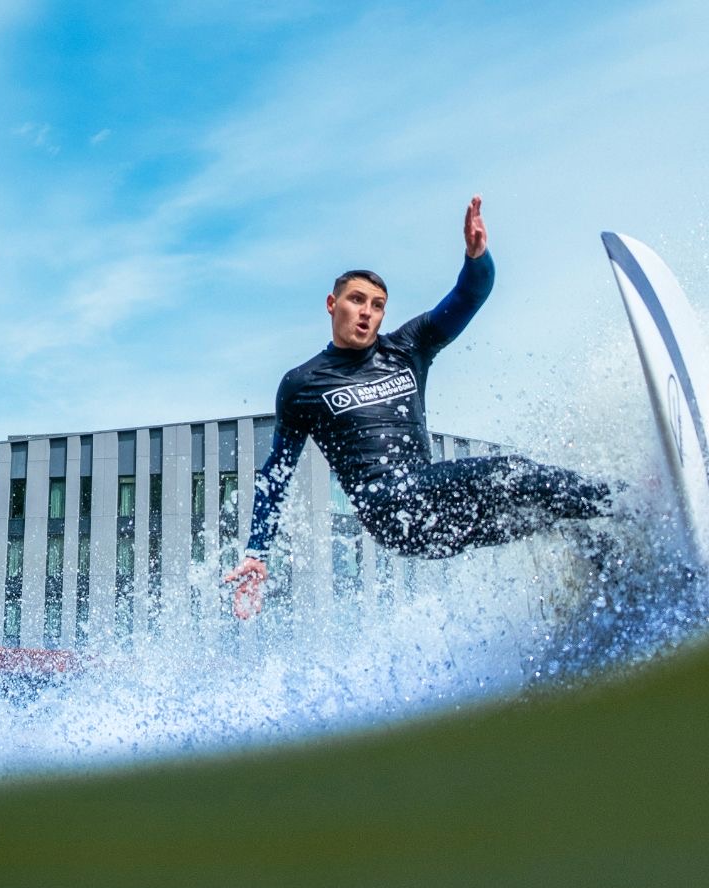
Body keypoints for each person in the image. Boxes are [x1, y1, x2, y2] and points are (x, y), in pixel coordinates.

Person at [225, 196, 611, 619]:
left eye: (377, 306)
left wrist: (476, 256)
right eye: (356, 300)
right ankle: (628, 499)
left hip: (433, 511)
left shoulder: (407, 348)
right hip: (392, 514)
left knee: (540, 512)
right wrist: (257, 551)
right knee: (512, 473)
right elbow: (277, 473)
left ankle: (613, 565)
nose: (367, 313)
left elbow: (469, 296)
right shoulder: (302, 383)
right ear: (332, 304)